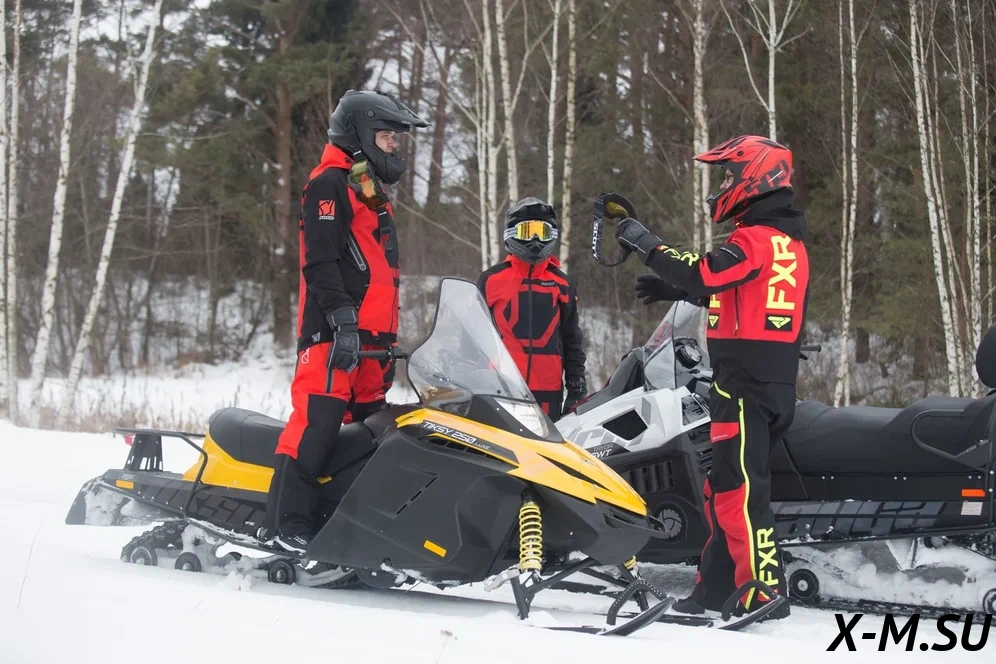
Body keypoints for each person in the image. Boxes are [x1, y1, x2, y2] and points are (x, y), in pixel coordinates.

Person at [616, 135, 809, 621]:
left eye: (728, 175)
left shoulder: (754, 238)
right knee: (724, 489)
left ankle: (764, 590)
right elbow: (749, 299)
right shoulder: (788, 244)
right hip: (770, 383)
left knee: (740, 491)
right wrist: (678, 289)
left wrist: (649, 246)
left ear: (755, 176)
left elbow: (706, 271)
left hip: (742, 386)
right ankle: (715, 589)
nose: (723, 185)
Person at [262, 89, 428, 554]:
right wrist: (342, 320)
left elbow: (377, 273)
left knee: (364, 437)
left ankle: (341, 524)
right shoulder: (329, 183)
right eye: (389, 137)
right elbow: (321, 261)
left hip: (371, 343)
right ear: (360, 135)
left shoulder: (368, 191)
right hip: (334, 335)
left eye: (398, 140)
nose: (395, 146)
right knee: (318, 424)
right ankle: (285, 524)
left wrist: (386, 340)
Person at [477, 197, 587, 421]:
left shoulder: (562, 284)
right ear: (512, 233)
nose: (535, 238)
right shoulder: (491, 280)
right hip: (500, 387)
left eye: (542, 232)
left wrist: (576, 384)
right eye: (527, 231)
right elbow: (473, 334)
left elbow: (571, 338)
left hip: (548, 390)